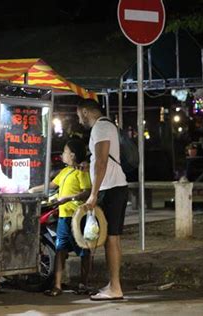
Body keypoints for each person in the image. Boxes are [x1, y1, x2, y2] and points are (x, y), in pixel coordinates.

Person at [76, 98, 128, 301]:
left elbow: (101, 161)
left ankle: (115, 287)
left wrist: (93, 194)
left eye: (79, 114)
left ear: (87, 111)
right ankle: (113, 284)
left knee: (111, 238)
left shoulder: (101, 127)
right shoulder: (106, 126)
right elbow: (98, 161)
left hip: (111, 188)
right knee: (110, 238)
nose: (79, 119)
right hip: (113, 187)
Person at [29, 139, 92, 297]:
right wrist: (31, 190)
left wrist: (69, 198)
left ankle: (83, 284)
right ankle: (57, 286)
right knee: (60, 250)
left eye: (64, 151)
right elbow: (51, 185)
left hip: (77, 217)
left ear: (72, 155)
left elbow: (87, 192)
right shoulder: (64, 172)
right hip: (63, 217)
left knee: (84, 251)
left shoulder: (81, 172)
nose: (62, 154)